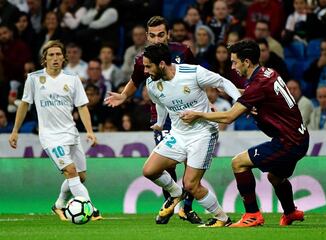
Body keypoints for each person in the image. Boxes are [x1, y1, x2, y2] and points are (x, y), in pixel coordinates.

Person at [181, 40, 309, 227]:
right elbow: (253, 94)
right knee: (275, 176)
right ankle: (290, 212)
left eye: (234, 62)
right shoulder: (269, 73)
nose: (232, 67)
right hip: (300, 137)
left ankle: (252, 214)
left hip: (287, 142)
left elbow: (229, 117)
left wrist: (199, 114)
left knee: (238, 163)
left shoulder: (257, 85)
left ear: (247, 62)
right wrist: (228, 90)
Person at [104, 15, 199, 224]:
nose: (157, 40)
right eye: (153, 36)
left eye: (161, 35)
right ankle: (174, 200)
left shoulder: (183, 52)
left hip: (188, 114)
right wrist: (124, 95)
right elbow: (134, 81)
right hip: (162, 117)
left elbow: (197, 78)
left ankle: (187, 209)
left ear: (169, 34)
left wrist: (204, 105)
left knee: (191, 163)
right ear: (147, 36)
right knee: (167, 165)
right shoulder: (142, 60)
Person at [143, 43, 241, 227]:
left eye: (149, 66)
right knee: (149, 171)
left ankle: (223, 219)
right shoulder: (152, 84)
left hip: (203, 133)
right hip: (178, 134)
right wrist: (160, 123)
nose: (146, 70)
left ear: (162, 63)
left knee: (191, 184)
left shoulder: (192, 72)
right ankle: (175, 193)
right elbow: (161, 103)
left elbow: (222, 82)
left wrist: (240, 101)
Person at [8, 40, 102, 221]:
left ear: (64, 57)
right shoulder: (34, 79)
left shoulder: (73, 79)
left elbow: (82, 107)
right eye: (51, 55)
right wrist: (15, 131)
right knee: (71, 171)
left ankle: (59, 205)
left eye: (59, 54)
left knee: (80, 177)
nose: (55, 58)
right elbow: (24, 105)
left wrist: (89, 131)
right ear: (44, 59)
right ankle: (91, 209)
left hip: (71, 133)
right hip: (50, 137)